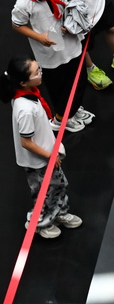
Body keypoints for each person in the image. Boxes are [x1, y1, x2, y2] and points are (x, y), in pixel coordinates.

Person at [3, 56, 82, 239]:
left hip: (47, 154)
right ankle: (40, 223)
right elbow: (26, 142)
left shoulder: (30, 94)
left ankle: (59, 213)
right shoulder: (24, 109)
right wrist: (50, 156)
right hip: (39, 161)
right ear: (23, 82)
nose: (41, 73)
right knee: (44, 194)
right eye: (37, 72)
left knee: (59, 185)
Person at [10, 0, 93, 132]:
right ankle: (61, 119)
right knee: (59, 88)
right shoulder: (23, 4)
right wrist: (38, 37)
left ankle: (72, 111)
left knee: (78, 81)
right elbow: (17, 25)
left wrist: (72, 23)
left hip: (71, 44)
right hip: (49, 54)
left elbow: (72, 1)